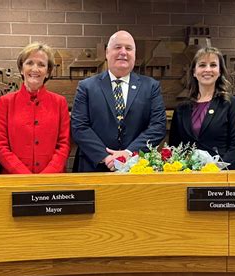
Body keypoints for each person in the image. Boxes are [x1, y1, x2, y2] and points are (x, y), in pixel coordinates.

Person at [71, 30, 166, 172]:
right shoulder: (86, 87)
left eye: (128, 48)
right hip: (94, 167)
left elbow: (157, 126)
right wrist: (106, 157)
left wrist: (128, 153)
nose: (123, 52)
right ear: (107, 53)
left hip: (138, 168)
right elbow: (79, 127)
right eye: (117, 47)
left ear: (135, 54)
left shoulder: (151, 87)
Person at [0, 42, 70, 174]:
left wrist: (45, 176)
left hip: (51, 181)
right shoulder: (5, 102)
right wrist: (25, 176)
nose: (35, 69)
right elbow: (0, 145)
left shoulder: (60, 102)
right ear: (21, 69)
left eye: (41, 65)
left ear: (48, 72)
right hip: (14, 179)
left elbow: (64, 144)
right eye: (29, 63)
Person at [169, 47, 235, 169]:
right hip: (189, 176)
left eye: (213, 65)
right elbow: (174, 147)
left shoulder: (230, 103)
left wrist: (219, 170)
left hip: (222, 176)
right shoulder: (181, 109)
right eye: (202, 65)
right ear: (194, 72)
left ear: (220, 71)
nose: (208, 69)